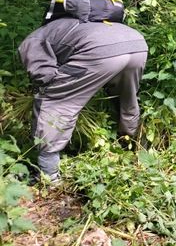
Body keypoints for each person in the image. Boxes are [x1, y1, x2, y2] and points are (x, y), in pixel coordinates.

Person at [18, 17, 148, 182]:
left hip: (101, 50)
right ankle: (131, 150)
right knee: (126, 98)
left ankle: (49, 175)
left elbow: (43, 76)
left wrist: (51, 89)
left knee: (54, 101)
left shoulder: (32, 40)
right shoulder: (79, 24)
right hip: (136, 43)